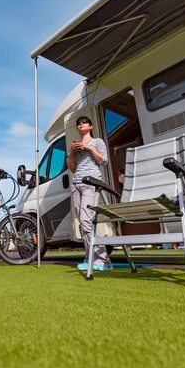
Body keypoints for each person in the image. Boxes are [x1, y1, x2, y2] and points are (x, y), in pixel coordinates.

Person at [67, 116, 113, 272]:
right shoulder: (75, 145)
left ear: (90, 126)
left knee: (87, 221)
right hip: (76, 185)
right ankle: (89, 257)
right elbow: (73, 169)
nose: (81, 124)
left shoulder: (97, 142)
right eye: (78, 123)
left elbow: (103, 160)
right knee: (82, 223)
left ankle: (104, 260)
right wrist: (72, 154)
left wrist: (89, 148)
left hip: (90, 183)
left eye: (84, 122)